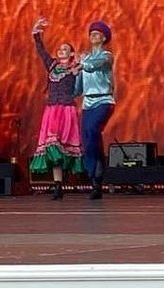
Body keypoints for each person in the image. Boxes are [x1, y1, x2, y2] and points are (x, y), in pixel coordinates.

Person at [29, 17, 82, 199]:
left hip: (67, 110)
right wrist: (36, 33)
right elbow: (41, 51)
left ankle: (70, 182)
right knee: (52, 145)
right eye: (59, 49)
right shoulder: (52, 66)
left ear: (71, 53)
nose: (61, 51)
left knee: (64, 147)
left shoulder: (76, 67)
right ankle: (57, 186)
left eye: (65, 49)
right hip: (52, 111)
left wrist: (80, 67)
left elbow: (82, 83)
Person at [77, 19, 115, 201]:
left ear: (104, 38)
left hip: (103, 100)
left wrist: (81, 63)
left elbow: (94, 66)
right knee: (87, 139)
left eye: (97, 33)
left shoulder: (106, 56)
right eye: (91, 33)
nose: (93, 35)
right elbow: (78, 87)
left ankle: (97, 170)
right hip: (87, 102)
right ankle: (95, 178)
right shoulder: (84, 58)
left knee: (93, 130)